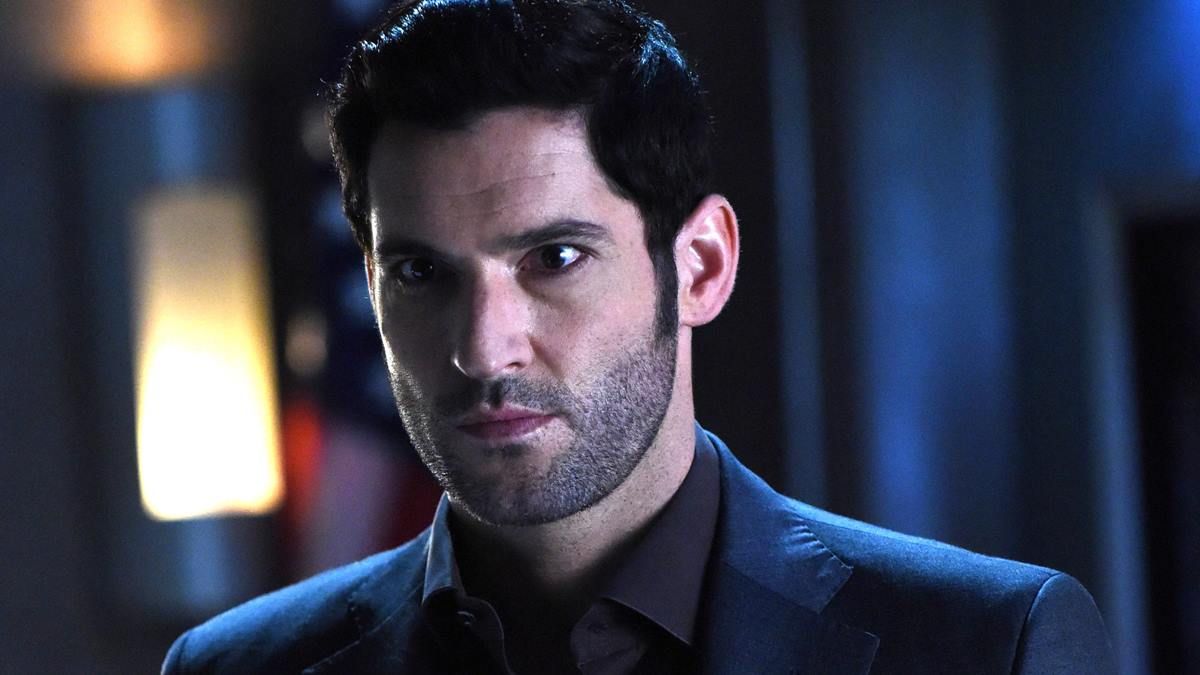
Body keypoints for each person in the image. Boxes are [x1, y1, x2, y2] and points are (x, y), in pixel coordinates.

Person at [162, 1, 1116, 672]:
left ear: (700, 266)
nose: (483, 350)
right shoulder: (236, 668)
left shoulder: (985, 646)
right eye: (419, 273)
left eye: (554, 258)